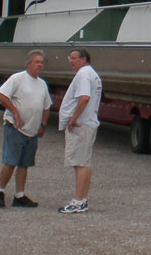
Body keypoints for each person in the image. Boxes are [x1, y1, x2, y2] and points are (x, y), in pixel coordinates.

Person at [0, 49, 52, 208]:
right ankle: (0, 192)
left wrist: (43, 125)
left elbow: (47, 106)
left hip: (32, 131)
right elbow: (0, 95)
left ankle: (19, 195)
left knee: (24, 163)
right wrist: (15, 112)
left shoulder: (42, 84)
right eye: (37, 62)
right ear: (29, 63)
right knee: (10, 161)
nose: (40, 65)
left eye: (42, 62)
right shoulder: (17, 78)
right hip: (15, 128)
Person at [57, 48, 102, 214]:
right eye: (70, 57)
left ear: (84, 59)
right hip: (89, 123)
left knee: (79, 163)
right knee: (85, 162)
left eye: (74, 58)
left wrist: (73, 118)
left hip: (81, 125)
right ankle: (82, 199)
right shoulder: (92, 74)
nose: (71, 61)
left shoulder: (83, 74)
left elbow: (84, 98)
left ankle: (77, 201)